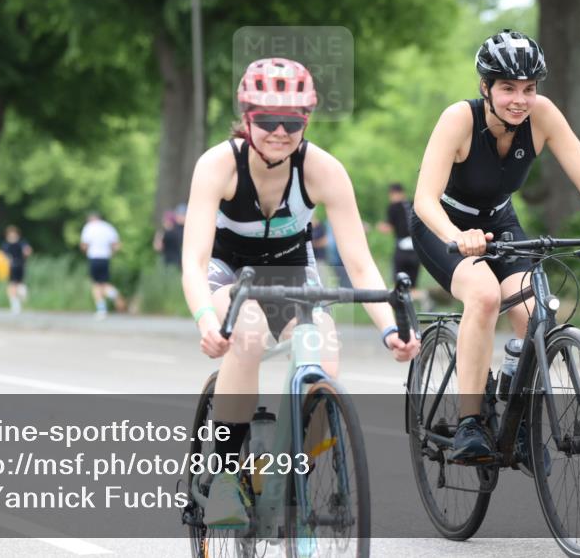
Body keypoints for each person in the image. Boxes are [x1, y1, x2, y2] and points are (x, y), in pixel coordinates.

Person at [182, 57, 419, 529]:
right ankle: (228, 475)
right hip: (231, 275)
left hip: (294, 276)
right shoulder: (219, 165)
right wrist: (208, 320)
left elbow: (359, 262)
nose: (279, 132)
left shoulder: (322, 169)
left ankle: (291, 479)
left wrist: (390, 329)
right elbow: (192, 260)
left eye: (292, 121)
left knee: (323, 364)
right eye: (267, 120)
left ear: (306, 119)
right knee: (246, 334)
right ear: (247, 116)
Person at [410, 29, 580, 464]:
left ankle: (521, 420)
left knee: (535, 311)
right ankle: (470, 421)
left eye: (529, 89)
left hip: (499, 220)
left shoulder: (543, 116)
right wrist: (457, 236)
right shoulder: (459, 119)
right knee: (485, 295)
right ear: (485, 88)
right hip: (444, 223)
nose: (520, 99)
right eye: (508, 88)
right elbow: (423, 199)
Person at [377, 183, 425, 303]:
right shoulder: (413, 203)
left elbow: (388, 228)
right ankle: (424, 300)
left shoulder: (393, 207)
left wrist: (380, 227)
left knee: (398, 284)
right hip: (416, 250)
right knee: (413, 286)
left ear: (392, 194)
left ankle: (400, 310)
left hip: (402, 250)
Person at [79, 212, 126, 319]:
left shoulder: (89, 227)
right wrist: (111, 253)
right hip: (105, 258)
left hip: (94, 258)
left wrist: (87, 252)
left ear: (91, 219)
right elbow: (117, 245)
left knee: (96, 285)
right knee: (103, 283)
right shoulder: (108, 227)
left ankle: (101, 310)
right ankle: (115, 295)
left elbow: (83, 245)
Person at [1, 225, 32, 314]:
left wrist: (27, 252)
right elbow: (3, 255)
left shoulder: (21, 243)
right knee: (12, 285)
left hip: (20, 265)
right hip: (11, 266)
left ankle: (20, 298)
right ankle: (15, 304)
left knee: (20, 284)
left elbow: (27, 250)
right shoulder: (6, 244)